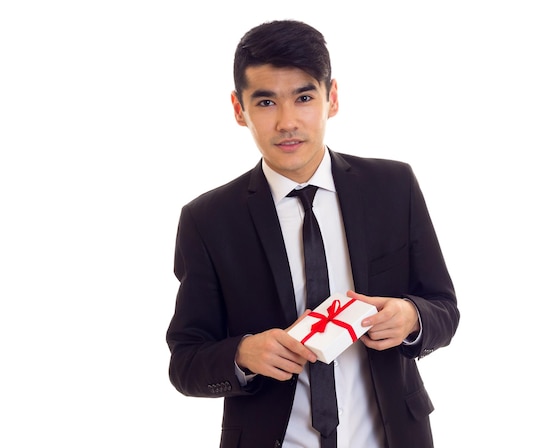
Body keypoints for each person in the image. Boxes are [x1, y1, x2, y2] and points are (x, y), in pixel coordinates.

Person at [166, 19, 459, 448]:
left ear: (331, 98)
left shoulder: (393, 187)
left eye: (304, 97)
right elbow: (186, 361)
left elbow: (444, 309)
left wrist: (412, 318)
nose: (287, 122)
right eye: (265, 102)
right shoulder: (208, 220)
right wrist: (242, 355)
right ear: (238, 108)